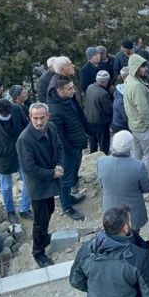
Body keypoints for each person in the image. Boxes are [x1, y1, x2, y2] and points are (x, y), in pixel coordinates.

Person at [70, 206, 149, 297]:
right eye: (129, 222)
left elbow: (75, 281)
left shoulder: (86, 249)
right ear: (125, 228)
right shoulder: (140, 256)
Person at [16, 103, 65, 268]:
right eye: (35, 118)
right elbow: (29, 168)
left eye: (42, 117)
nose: (38, 122)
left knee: (50, 210)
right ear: (30, 118)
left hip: (50, 181)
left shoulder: (50, 127)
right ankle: (38, 252)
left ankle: (44, 237)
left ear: (48, 116)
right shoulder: (25, 139)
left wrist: (59, 164)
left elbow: (59, 147)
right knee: (40, 221)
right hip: (38, 187)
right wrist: (52, 173)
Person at [48, 76, 88, 220]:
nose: (73, 91)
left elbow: (79, 117)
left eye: (73, 87)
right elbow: (59, 138)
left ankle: (70, 197)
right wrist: (70, 153)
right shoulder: (54, 110)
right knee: (65, 180)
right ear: (59, 90)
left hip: (76, 145)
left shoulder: (69, 99)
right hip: (67, 151)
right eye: (69, 89)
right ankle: (67, 206)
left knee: (71, 177)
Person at [97, 131, 149, 232]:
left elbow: (101, 184)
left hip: (110, 211)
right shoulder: (138, 165)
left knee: (114, 237)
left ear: (113, 144)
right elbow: (145, 188)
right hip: (132, 213)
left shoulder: (101, 162)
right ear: (131, 146)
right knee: (134, 236)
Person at [124, 54, 149, 180]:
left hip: (135, 125)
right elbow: (144, 110)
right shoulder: (137, 86)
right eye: (142, 66)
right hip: (144, 127)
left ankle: (133, 179)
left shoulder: (129, 80)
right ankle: (147, 185)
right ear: (135, 68)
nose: (146, 68)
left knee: (137, 156)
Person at [84, 70, 113, 154]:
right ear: (106, 81)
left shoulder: (90, 87)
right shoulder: (103, 94)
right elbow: (109, 110)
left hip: (89, 120)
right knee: (104, 144)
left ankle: (93, 157)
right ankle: (104, 158)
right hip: (101, 122)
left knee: (93, 142)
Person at [112, 66, 130, 133]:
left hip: (119, 124)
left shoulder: (119, 88)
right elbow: (124, 114)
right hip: (121, 126)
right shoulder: (121, 97)